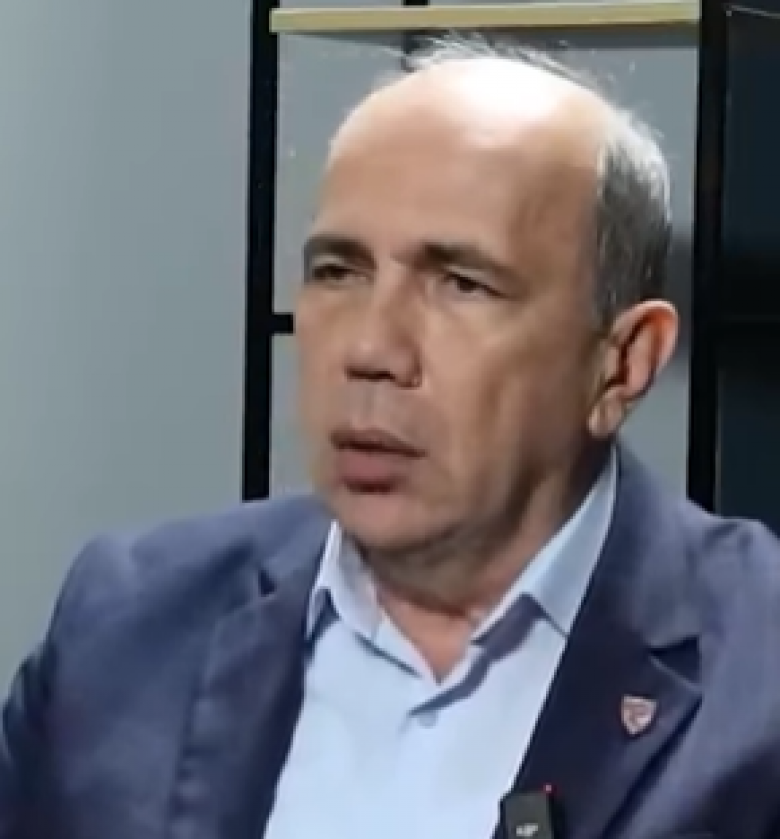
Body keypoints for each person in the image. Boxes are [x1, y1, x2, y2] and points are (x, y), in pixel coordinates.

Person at [3, 37, 780, 839]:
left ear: (622, 363)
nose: (371, 348)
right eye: (338, 271)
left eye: (462, 283)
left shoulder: (758, 683)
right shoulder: (125, 628)